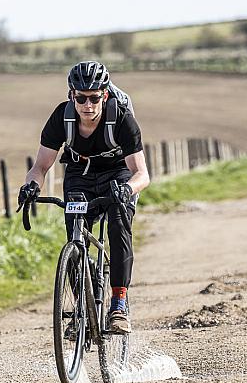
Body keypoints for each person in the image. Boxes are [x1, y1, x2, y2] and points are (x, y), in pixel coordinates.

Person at [18, 60, 150, 333]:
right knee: (75, 233)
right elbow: (40, 166)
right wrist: (31, 186)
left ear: (105, 95)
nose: (87, 105)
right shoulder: (62, 117)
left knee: (118, 223)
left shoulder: (122, 119)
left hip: (118, 174)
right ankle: (83, 310)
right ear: (72, 95)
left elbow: (141, 174)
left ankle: (119, 304)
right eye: (81, 98)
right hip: (80, 173)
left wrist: (127, 190)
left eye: (94, 98)